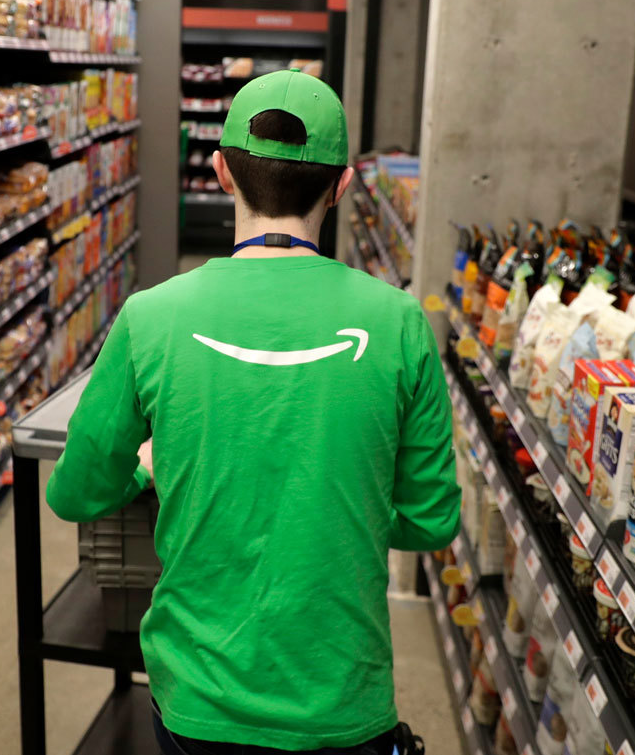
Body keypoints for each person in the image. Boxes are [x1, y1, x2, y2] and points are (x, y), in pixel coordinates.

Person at [45, 69, 460, 755]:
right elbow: (431, 518)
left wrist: (150, 472)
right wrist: (336, 495)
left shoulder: (153, 316)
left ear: (219, 173)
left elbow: (76, 490)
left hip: (196, 700)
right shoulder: (399, 322)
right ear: (344, 185)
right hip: (342, 699)